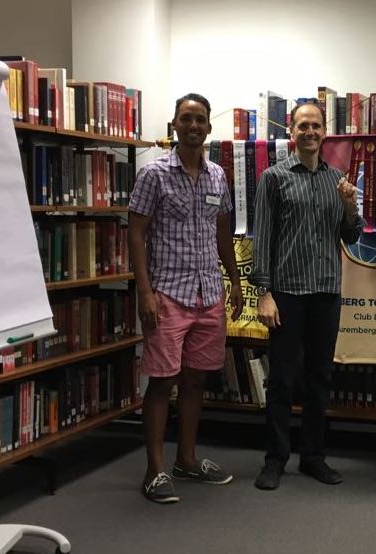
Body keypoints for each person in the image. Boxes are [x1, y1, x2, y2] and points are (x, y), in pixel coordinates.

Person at [128, 93, 243, 504]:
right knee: (162, 382)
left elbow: (223, 234)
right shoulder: (153, 174)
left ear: (210, 128)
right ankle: (154, 470)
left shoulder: (217, 176)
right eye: (186, 118)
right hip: (167, 294)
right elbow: (136, 234)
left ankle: (187, 460)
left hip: (208, 292)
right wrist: (145, 292)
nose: (194, 125)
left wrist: (235, 282)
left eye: (200, 120)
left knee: (196, 380)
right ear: (175, 125)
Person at [250, 102, 363, 490]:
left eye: (316, 126)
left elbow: (351, 235)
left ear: (324, 132)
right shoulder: (274, 178)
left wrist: (349, 206)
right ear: (291, 131)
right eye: (303, 126)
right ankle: (275, 458)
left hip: (327, 293)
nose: (310, 132)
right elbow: (261, 238)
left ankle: (313, 457)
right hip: (287, 293)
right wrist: (263, 293)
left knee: (319, 379)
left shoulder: (338, 180)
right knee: (281, 379)